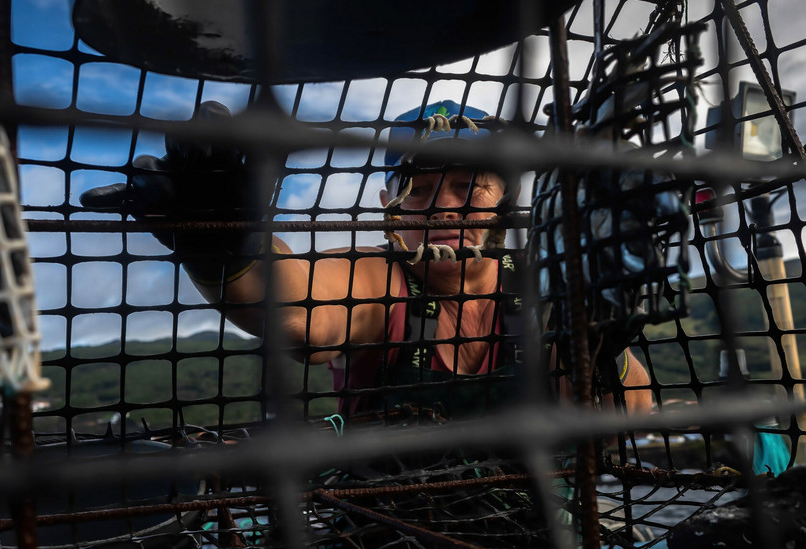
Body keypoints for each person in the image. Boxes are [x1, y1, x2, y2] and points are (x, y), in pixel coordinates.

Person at [81, 99, 651, 421]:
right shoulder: (376, 278)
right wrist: (223, 242)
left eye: (468, 187)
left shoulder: (544, 287)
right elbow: (297, 309)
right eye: (420, 189)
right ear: (387, 208)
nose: (443, 210)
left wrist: (604, 343)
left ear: (503, 202)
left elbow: (633, 414)